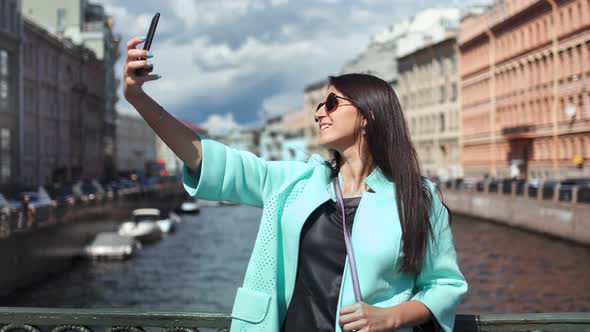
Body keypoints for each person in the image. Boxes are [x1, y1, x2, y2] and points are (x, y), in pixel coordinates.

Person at [123, 36, 467, 332]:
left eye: (332, 103)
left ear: (368, 115)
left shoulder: (417, 198)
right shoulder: (296, 184)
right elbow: (207, 158)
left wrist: (391, 317)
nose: (320, 112)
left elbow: (443, 285)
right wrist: (138, 98)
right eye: (320, 104)